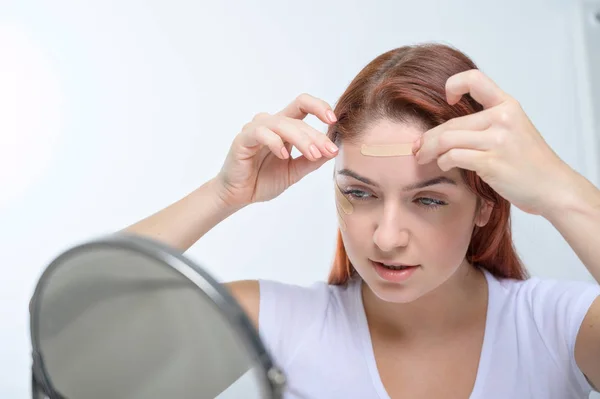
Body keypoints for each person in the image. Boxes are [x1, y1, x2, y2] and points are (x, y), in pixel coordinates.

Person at [124, 43, 600, 398]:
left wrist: (564, 191)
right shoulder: (278, 324)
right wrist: (221, 194)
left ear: (486, 204)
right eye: (359, 192)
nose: (387, 238)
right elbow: (69, 348)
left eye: (429, 200)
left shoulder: (560, 328)